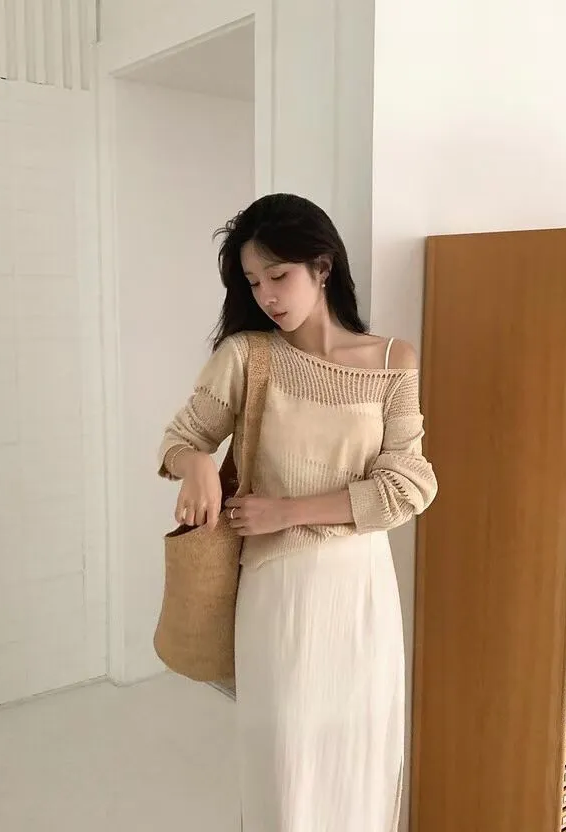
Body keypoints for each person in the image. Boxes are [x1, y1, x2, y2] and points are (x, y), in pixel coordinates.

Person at [157, 193, 438, 832]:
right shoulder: (248, 356)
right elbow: (179, 439)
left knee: (359, 761)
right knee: (285, 770)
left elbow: (410, 484)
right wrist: (195, 463)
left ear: (323, 266)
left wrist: (288, 511)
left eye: (278, 276)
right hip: (279, 597)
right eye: (253, 282)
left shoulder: (394, 361)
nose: (266, 296)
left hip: (361, 594)